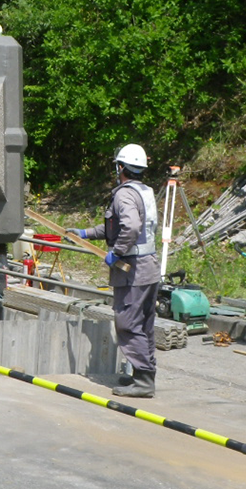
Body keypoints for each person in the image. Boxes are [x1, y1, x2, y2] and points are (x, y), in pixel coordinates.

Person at [71, 143, 160, 398]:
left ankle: (143, 379)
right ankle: (143, 375)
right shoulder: (144, 191)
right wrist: (86, 233)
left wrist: (118, 252)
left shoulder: (124, 194)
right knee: (144, 324)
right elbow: (120, 226)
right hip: (148, 267)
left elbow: (129, 228)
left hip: (132, 269)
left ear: (120, 167)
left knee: (127, 323)